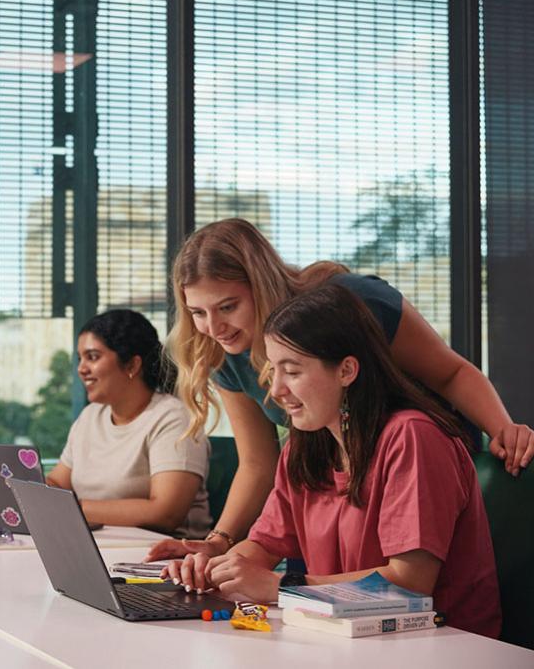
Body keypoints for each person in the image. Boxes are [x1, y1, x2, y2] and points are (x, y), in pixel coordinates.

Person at [145, 218, 532, 562]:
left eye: (227, 307)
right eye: (197, 312)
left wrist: (503, 431)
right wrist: (219, 541)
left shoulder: (355, 303)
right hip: (340, 474)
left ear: (260, 286)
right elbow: (257, 463)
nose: (213, 327)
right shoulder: (224, 352)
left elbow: (450, 374)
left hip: (412, 462)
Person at [166, 285, 501, 637]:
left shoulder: (413, 437)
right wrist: (216, 569)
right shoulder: (304, 444)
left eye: (292, 372)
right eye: (274, 370)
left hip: (441, 644)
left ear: (346, 371)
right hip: (348, 637)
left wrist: (279, 586)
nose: (276, 390)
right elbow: (265, 545)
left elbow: (410, 582)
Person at [46, 309, 211, 536]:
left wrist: (71, 508)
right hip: (101, 548)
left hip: (166, 559)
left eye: (93, 357)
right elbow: (57, 482)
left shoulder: (174, 418)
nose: (81, 369)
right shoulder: (90, 417)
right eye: (80, 358)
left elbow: (165, 513)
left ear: (132, 365)